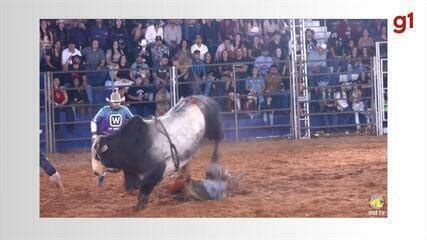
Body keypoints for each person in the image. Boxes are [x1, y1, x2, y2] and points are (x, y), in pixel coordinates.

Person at [91, 89, 137, 192]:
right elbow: (94, 121)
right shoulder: (104, 110)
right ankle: (100, 175)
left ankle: (130, 180)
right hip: (106, 138)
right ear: (110, 102)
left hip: (120, 139)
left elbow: (133, 121)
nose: (117, 104)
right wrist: (94, 135)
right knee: (99, 153)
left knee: (130, 158)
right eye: (115, 102)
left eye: (118, 102)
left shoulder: (125, 110)